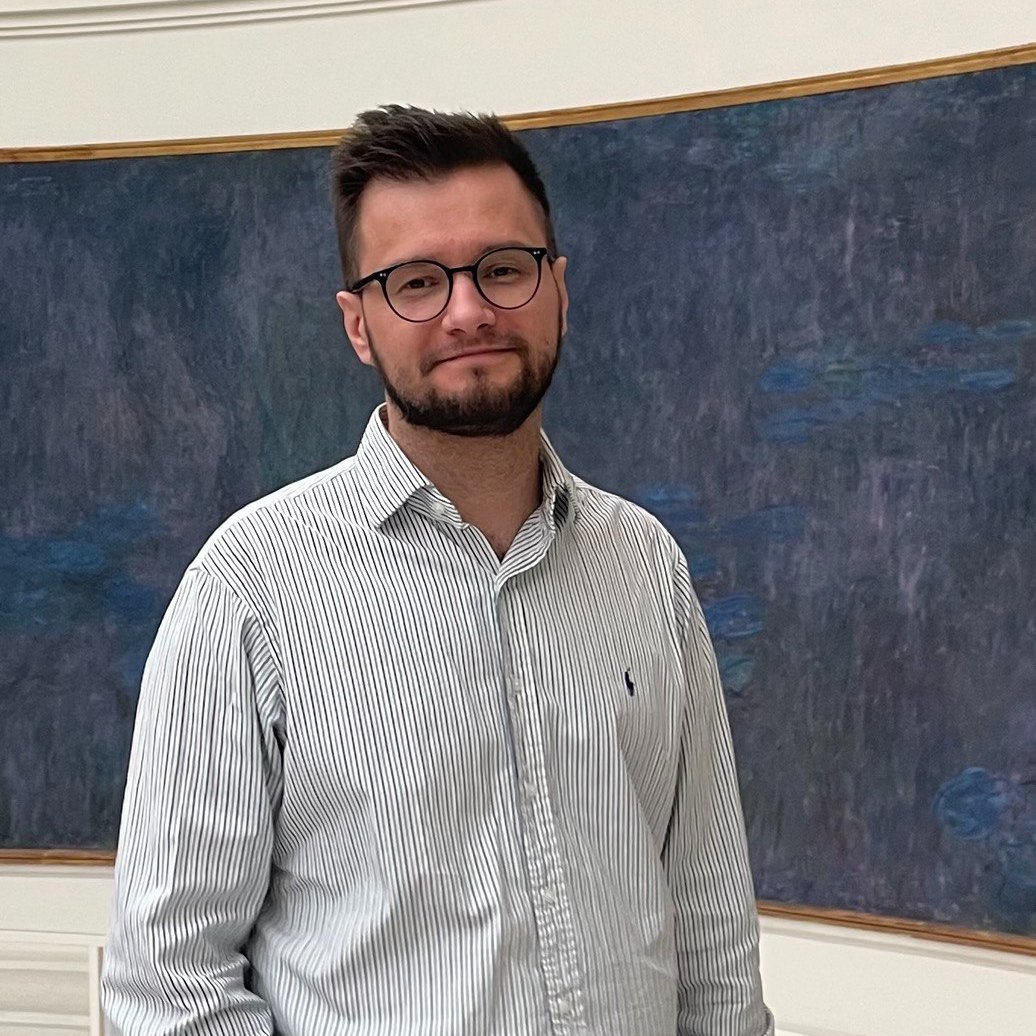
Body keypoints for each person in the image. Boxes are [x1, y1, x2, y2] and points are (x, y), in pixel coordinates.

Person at [103, 105, 774, 1036]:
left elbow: (710, 932)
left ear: (558, 288)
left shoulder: (644, 565)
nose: (469, 311)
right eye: (416, 281)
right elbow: (168, 987)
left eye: (503, 268)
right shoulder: (250, 589)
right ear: (358, 325)